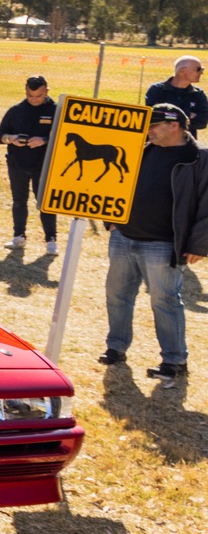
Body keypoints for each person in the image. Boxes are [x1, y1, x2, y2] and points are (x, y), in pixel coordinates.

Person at [100, 102, 208, 380]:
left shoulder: (199, 159)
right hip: (123, 237)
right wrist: (109, 216)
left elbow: (207, 205)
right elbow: (116, 180)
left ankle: (174, 361)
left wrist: (198, 244)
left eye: (153, 126)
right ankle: (116, 347)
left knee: (165, 301)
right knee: (117, 295)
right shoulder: (141, 151)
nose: (147, 132)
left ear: (174, 126)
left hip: (163, 244)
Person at [0, 75, 57, 254]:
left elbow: (65, 136)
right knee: (19, 201)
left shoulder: (56, 111)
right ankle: (19, 236)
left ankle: (51, 240)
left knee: (45, 203)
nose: (34, 99)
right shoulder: (16, 111)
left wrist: (44, 140)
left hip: (43, 165)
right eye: (30, 96)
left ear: (46, 91)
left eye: (38, 96)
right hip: (17, 164)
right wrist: (11, 139)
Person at [145, 55, 208, 133]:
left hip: (186, 144)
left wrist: (169, 116)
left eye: (202, 70)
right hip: (158, 141)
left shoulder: (199, 94)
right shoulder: (157, 90)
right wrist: (188, 115)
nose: (201, 73)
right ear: (182, 71)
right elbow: (153, 117)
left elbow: (202, 122)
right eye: (198, 69)